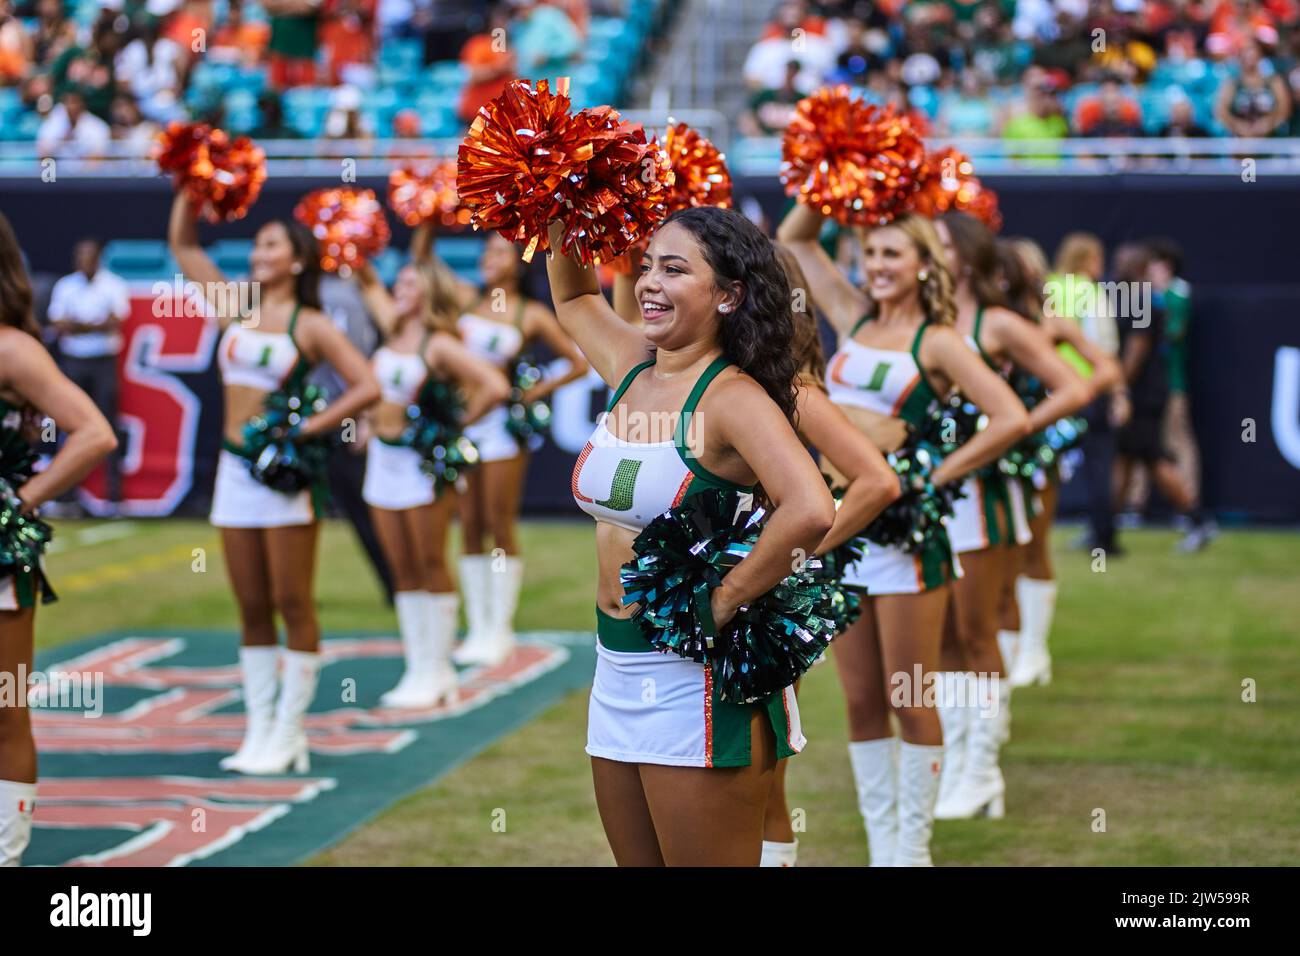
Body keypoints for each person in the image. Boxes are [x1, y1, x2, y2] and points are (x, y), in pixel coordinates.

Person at [547, 206, 836, 866]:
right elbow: (573, 293)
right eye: (647, 265)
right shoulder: (630, 366)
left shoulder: (731, 397)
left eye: (674, 269)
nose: (648, 282)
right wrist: (558, 201)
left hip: (696, 681)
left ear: (729, 295)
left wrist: (726, 598)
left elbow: (812, 508)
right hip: (616, 666)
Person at [777, 202, 1029, 866]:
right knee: (861, 701)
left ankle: (911, 852)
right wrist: (831, 168)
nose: (877, 265)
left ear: (925, 266)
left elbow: (1009, 416)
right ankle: (882, 846)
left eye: (894, 254)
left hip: (908, 543)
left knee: (910, 694)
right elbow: (794, 238)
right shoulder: (853, 316)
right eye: (870, 253)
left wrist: (935, 473)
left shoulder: (940, 341)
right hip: (848, 530)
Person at [167, 190, 380, 776]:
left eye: (271, 244)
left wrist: (307, 428)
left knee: (293, 601)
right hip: (235, 472)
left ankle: (290, 731)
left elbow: (366, 385)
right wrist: (192, 184)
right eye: (257, 243)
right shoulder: (235, 307)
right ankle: (259, 728)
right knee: (252, 606)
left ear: (296, 260)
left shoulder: (309, 323)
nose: (258, 252)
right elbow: (184, 246)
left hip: (284, 478)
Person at [931, 213, 1089, 821]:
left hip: (986, 494)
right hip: (933, 496)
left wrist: (1010, 430)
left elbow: (1072, 388)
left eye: (940, 247)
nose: (929, 256)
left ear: (967, 258)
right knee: (941, 635)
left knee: (977, 631)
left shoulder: (997, 322)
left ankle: (983, 771)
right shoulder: (928, 321)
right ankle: (955, 766)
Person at [411, 224, 588, 668]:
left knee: (498, 521)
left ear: (517, 261)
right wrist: (426, 216)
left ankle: (500, 628)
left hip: (501, 430)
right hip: (462, 425)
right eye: (485, 250)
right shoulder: (467, 298)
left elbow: (578, 363)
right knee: (468, 524)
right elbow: (423, 262)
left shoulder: (529, 314)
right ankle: (478, 626)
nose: (489, 257)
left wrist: (532, 393)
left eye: (498, 251)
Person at [0, 209, 117, 866]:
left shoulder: (13, 347)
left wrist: (19, 499)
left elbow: (95, 433)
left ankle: (7, 855)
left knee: (6, 709)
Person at [351, 260, 510, 708]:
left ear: (428, 292)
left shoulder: (438, 344)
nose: (397, 287)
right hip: (382, 463)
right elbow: (377, 389)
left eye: (407, 282)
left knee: (429, 561)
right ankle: (417, 667)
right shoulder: (391, 330)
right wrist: (366, 425)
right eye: (397, 281)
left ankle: (439, 670)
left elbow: (494, 386)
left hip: (422, 466)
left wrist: (453, 425)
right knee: (401, 569)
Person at [995, 237, 1121, 689]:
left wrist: (1047, 412)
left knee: (1031, 546)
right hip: (989, 449)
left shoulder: (1051, 322)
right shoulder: (984, 322)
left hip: (1033, 448)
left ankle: (1034, 649)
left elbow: (1106, 369)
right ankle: (1004, 651)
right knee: (994, 554)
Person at [1111, 242, 1215, 551]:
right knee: (1126, 458)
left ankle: (1197, 518)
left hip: (1143, 395)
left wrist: (1119, 385)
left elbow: (1138, 347)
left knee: (1153, 457)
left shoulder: (1144, 298)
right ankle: (1104, 528)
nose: (1118, 268)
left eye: (1125, 262)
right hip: (1140, 392)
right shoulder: (1129, 297)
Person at [1046, 232, 1128, 555]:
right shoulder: (1089, 293)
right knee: (1098, 466)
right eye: (1096, 258)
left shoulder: (1049, 287)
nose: (1100, 265)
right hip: (1089, 390)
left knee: (1045, 463)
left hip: (1051, 390)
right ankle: (1103, 537)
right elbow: (1105, 347)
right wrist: (1119, 392)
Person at [46, 238, 129, 513]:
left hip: (104, 363)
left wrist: (78, 325)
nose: (84, 261)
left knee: (108, 426)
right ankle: (65, 495)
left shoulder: (113, 284)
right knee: (68, 427)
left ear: (98, 258)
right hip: (73, 364)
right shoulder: (66, 285)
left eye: (89, 256)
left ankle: (113, 497)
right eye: (80, 256)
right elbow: (58, 323)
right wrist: (92, 325)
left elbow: (114, 321)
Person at [1215, 39, 1291, 137]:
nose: (1250, 56)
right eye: (1246, 52)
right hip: (1241, 141)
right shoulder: (1232, 84)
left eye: (1253, 52)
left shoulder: (1273, 81)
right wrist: (1237, 125)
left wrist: (1269, 123)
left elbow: (1284, 108)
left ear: (1260, 55)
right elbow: (1220, 111)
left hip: (1271, 138)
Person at [36, 88, 111, 158]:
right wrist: (59, 143)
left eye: (74, 102)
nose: (70, 106)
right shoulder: (53, 121)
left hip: (87, 171)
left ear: (82, 103)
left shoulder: (96, 127)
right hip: (58, 171)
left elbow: (97, 159)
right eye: (66, 102)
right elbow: (43, 153)